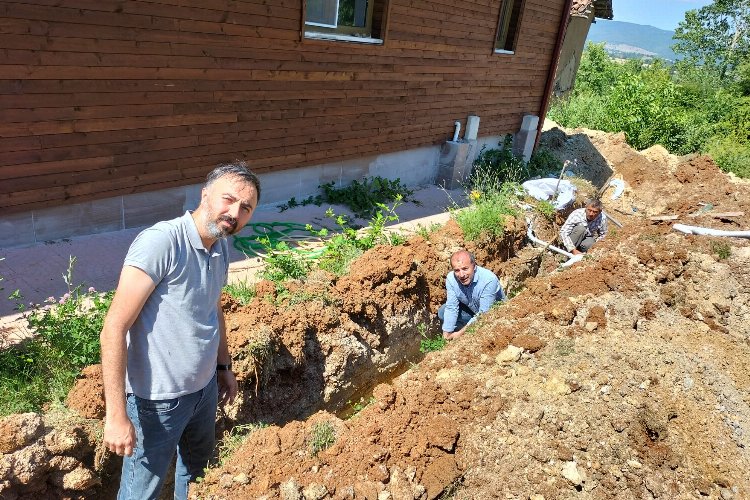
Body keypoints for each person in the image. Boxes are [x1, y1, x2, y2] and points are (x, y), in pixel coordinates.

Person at [100, 161, 261, 500]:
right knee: (141, 491)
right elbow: (113, 327)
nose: (234, 212)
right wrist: (114, 415)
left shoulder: (220, 245)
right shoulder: (162, 243)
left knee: (197, 477)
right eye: (227, 199)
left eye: (245, 208)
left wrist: (223, 367)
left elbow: (213, 308)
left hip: (203, 392)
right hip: (157, 402)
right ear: (205, 195)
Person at [438, 250, 506, 340]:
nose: (462, 275)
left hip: (495, 315)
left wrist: (459, 334)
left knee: (486, 323)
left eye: (465, 269)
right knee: (443, 311)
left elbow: (484, 314)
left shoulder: (488, 280)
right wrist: (446, 334)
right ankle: (463, 335)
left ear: (474, 266)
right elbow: (452, 307)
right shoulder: (451, 279)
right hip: (473, 312)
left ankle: (467, 335)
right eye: (457, 270)